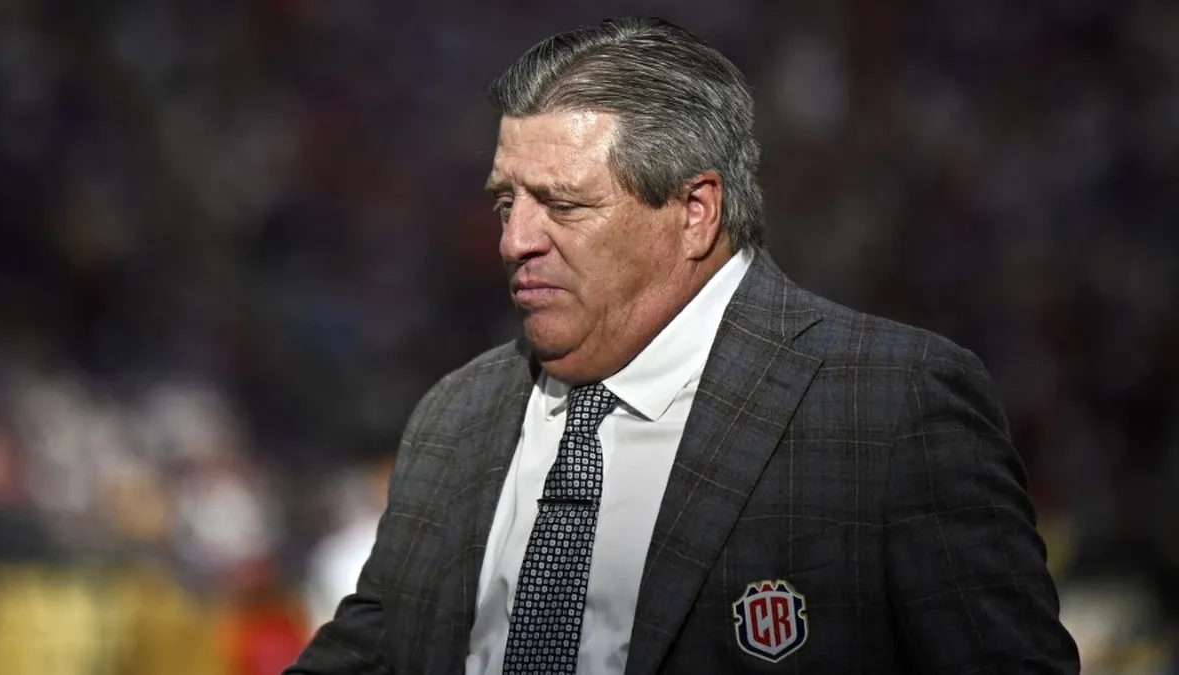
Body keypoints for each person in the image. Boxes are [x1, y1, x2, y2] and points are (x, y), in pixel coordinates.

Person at [285, 16, 1080, 675]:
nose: (514, 239)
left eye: (563, 204)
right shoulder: (455, 417)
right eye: (505, 203)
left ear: (696, 210)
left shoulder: (890, 407)